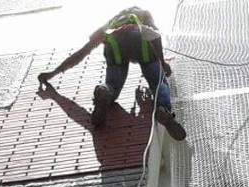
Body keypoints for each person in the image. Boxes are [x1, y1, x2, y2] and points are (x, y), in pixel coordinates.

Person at [37, 6, 186, 140]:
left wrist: (52, 73)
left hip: (114, 44)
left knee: (112, 87)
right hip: (140, 41)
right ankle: (163, 109)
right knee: (159, 83)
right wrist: (162, 61)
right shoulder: (144, 14)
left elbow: (81, 53)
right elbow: (155, 35)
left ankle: (104, 90)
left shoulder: (110, 24)